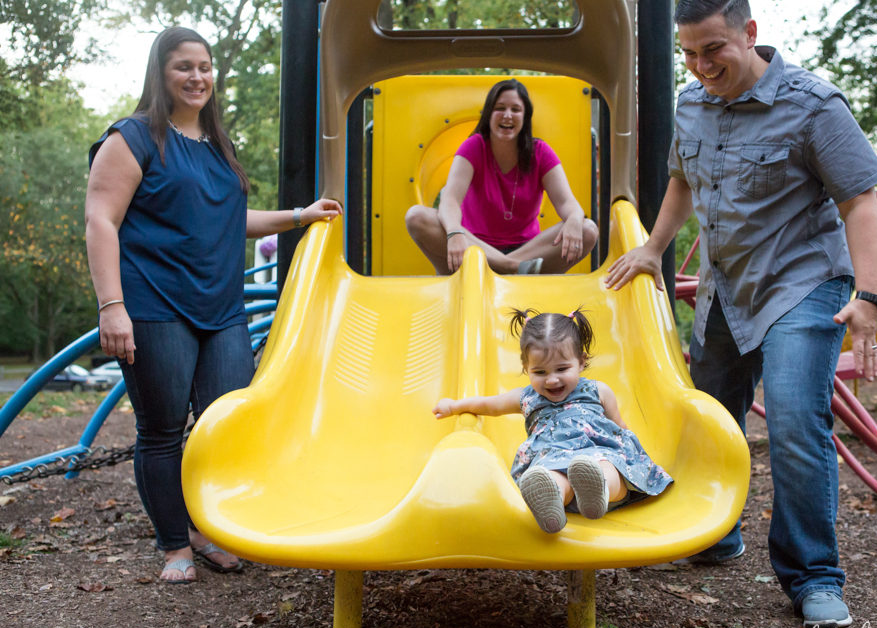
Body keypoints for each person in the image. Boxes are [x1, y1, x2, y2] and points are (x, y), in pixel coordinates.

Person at [604, 0, 877, 628]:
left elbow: (861, 202)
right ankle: (716, 532)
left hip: (803, 284)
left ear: (750, 33)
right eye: (689, 53)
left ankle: (814, 576)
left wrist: (868, 298)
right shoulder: (692, 103)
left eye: (714, 50)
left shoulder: (813, 105)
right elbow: (682, 179)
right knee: (711, 417)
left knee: (793, 419)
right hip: (726, 290)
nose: (701, 66)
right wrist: (652, 247)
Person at [84, 27, 343, 584]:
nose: (197, 76)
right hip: (155, 304)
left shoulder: (217, 144)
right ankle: (175, 544)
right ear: (161, 72)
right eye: (184, 66)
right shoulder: (133, 137)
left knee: (225, 424)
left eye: (204, 67)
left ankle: (208, 527)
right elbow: (100, 219)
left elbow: (228, 220)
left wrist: (300, 215)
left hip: (221, 308)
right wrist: (111, 306)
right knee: (162, 429)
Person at [433, 309, 672, 533]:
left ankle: (598, 491)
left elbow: (619, 428)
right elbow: (489, 405)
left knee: (608, 467)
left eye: (562, 369)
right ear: (526, 368)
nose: (552, 380)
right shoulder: (526, 397)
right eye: (540, 372)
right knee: (551, 476)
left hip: (599, 452)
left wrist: (631, 456)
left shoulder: (598, 390)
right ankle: (552, 502)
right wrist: (454, 406)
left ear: (581, 362)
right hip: (552, 456)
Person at [405, 79, 598, 275]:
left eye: (515, 109)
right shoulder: (474, 147)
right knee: (416, 217)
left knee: (587, 230)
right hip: (473, 247)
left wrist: (574, 219)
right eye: (500, 108)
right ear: (489, 114)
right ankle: (511, 267)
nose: (507, 115)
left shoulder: (540, 152)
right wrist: (454, 231)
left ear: (525, 117)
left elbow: (567, 202)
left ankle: (507, 264)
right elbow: (450, 200)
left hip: (528, 250)